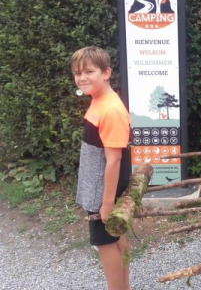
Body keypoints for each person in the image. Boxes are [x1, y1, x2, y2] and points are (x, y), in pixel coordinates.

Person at [71, 46, 131, 290]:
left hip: (102, 190)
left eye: (89, 71)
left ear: (106, 73)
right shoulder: (100, 100)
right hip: (99, 186)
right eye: (77, 73)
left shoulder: (110, 108)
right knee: (116, 235)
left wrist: (106, 203)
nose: (82, 77)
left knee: (105, 243)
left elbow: (114, 159)